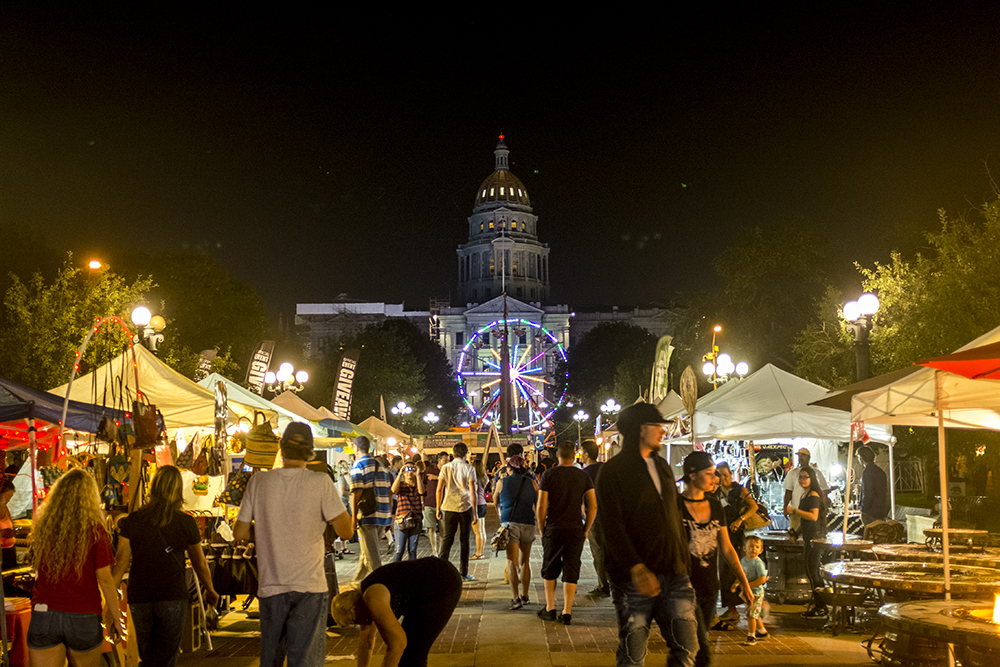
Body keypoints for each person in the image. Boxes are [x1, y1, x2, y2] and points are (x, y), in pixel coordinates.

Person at [235, 422, 354, 666]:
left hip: (271, 584)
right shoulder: (320, 483)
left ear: (281, 448)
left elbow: (239, 532)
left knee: (271, 658)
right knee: (305, 660)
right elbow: (346, 531)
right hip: (310, 584)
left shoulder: (259, 482)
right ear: (310, 452)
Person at [597, 402, 698, 667]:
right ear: (642, 429)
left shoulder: (663, 466)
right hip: (633, 580)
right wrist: (636, 567)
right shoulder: (613, 472)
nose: (663, 432)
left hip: (674, 573)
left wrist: (684, 561)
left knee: (687, 646)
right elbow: (612, 526)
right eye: (658, 426)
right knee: (633, 653)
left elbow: (674, 515)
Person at [113, 466, 219, 667]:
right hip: (172, 594)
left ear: (154, 488)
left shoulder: (134, 520)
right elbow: (200, 563)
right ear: (178, 490)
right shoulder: (186, 522)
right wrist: (210, 589)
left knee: (148, 656)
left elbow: (120, 562)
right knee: (167, 657)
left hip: (140, 595)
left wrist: (111, 597)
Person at [26, 468, 125, 667]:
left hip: (44, 613)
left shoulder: (45, 527)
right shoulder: (95, 530)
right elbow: (104, 577)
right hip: (83, 614)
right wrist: (115, 616)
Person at [679, 451, 753, 666]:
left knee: (697, 645)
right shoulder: (675, 506)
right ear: (693, 475)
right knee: (692, 647)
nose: (715, 479)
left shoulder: (715, 507)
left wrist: (744, 582)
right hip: (682, 588)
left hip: (709, 589)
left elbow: (727, 548)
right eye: (710, 473)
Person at [331, 558, 462, 667]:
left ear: (353, 609)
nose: (359, 624)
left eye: (354, 621)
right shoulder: (361, 604)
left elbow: (398, 643)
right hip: (423, 591)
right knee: (409, 654)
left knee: (411, 655)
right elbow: (366, 641)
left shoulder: (372, 597)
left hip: (441, 584)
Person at [536, 441, 597, 625]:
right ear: (575, 455)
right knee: (572, 568)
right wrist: (586, 528)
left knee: (550, 568)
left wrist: (541, 527)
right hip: (575, 528)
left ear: (558, 455)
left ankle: (550, 608)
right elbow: (593, 505)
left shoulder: (549, 474)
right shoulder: (583, 476)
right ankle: (567, 611)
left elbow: (541, 505)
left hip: (554, 527)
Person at [493, 444, 539, 610]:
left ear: (510, 466)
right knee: (525, 561)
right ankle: (526, 595)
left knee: (511, 561)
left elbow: (495, 500)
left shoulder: (502, 480)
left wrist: (501, 513)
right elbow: (538, 501)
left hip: (510, 523)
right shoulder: (532, 481)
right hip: (528, 522)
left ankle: (515, 598)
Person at [713, 461, 759, 623]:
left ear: (730, 475)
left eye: (725, 475)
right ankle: (732, 609)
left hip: (736, 535)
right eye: (719, 475)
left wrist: (740, 519)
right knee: (724, 572)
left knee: (735, 571)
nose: (723, 478)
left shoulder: (739, 490)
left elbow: (753, 506)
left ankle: (751, 609)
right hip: (721, 535)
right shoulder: (715, 492)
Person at [785, 465, 828, 618]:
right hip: (809, 537)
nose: (802, 480)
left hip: (816, 538)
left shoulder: (814, 495)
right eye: (800, 477)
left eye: (805, 477)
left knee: (814, 573)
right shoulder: (804, 495)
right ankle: (819, 605)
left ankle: (822, 606)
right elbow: (805, 520)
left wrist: (794, 511)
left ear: (812, 479)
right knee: (811, 572)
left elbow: (813, 516)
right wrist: (796, 534)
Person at [350, 436, 393, 584]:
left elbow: (357, 493)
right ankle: (357, 581)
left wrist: (353, 518)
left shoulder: (358, 465)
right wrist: (390, 515)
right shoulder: (380, 465)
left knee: (372, 557)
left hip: (367, 515)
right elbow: (389, 491)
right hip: (383, 513)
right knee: (367, 550)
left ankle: (381, 586)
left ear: (356, 448)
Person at [436, 442, 478, 581]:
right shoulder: (469, 468)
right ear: (466, 453)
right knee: (464, 540)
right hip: (465, 507)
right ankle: (464, 573)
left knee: (447, 539)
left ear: (453, 453)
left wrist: (438, 508)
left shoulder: (445, 468)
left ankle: (441, 571)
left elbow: (439, 489)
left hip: (448, 507)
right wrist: (475, 513)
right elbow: (472, 491)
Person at [580, 440, 609, 597]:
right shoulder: (606, 469)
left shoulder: (585, 473)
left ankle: (603, 585)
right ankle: (612, 582)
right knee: (609, 550)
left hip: (594, 517)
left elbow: (581, 497)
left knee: (598, 552)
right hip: (610, 517)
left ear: (586, 454)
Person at [783, 448, 828, 534]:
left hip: (811, 511)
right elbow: (788, 491)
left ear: (808, 457)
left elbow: (824, 492)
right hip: (796, 510)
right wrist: (786, 507)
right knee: (796, 535)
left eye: (803, 455)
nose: (801, 458)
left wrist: (824, 507)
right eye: (799, 456)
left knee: (808, 534)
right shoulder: (793, 473)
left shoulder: (817, 474)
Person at [732, 535, 768, 645]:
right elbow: (741, 575)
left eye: (757, 547)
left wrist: (748, 585)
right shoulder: (743, 561)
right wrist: (736, 583)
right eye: (751, 546)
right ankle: (762, 631)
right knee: (753, 613)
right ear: (744, 548)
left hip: (756, 593)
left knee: (751, 615)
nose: (754, 549)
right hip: (748, 593)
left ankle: (751, 636)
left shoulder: (758, 563)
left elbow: (762, 579)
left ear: (761, 550)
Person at [390, 461, 424, 562]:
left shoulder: (418, 485)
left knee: (412, 550)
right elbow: (393, 490)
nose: (409, 472)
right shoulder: (401, 484)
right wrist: (400, 473)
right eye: (407, 470)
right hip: (401, 520)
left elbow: (422, 492)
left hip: (416, 519)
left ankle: (411, 574)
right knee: (399, 550)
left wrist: (418, 475)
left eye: (412, 470)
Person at [857, 445, 889, 526]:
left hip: (870, 511)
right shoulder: (880, 471)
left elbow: (868, 492)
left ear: (861, 457)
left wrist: (863, 508)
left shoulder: (867, 472)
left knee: (869, 534)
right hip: (881, 509)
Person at [420, 454, 442, 557]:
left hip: (443, 504)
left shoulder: (447, 470)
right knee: (431, 528)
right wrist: (422, 501)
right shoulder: (428, 470)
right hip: (429, 502)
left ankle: (442, 552)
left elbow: (452, 483)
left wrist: (437, 478)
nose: (446, 462)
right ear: (439, 460)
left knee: (443, 529)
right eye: (444, 460)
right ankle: (435, 551)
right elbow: (422, 485)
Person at [471, 457, 489, 560]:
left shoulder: (474, 479)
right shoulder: (484, 477)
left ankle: (478, 553)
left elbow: (474, 493)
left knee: (477, 532)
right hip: (483, 504)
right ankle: (481, 552)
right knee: (482, 530)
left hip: (476, 505)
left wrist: (473, 511)